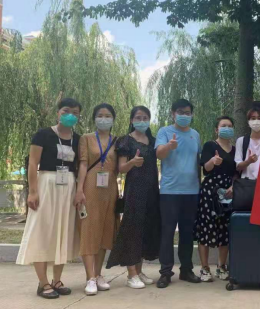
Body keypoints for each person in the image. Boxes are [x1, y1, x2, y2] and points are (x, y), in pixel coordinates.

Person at [16, 98, 82, 299]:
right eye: (66, 110)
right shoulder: (43, 134)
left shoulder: (78, 139)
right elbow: (32, 163)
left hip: (68, 187)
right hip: (46, 184)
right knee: (42, 231)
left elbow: (80, 166)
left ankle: (57, 280)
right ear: (58, 112)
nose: (70, 115)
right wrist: (33, 191)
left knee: (63, 231)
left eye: (75, 113)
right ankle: (43, 282)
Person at [106, 106, 160, 289]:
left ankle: (139, 270)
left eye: (145, 118)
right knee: (132, 229)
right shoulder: (125, 141)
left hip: (152, 190)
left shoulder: (153, 141)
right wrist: (132, 162)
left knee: (145, 229)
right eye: (138, 117)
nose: (142, 121)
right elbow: (121, 168)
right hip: (135, 189)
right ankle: (131, 274)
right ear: (131, 120)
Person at [155, 99, 202, 289]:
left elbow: (197, 161)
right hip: (170, 191)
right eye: (180, 112)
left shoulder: (195, 135)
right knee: (167, 232)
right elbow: (159, 154)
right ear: (173, 113)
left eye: (188, 112)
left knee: (187, 232)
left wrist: (199, 186)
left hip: (191, 191)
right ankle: (165, 272)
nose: (184, 115)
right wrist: (169, 146)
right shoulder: (164, 132)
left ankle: (186, 270)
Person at [74, 104, 120, 295]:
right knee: (89, 230)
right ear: (94, 118)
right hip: (90, 187)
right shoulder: (86, 138)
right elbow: (83, 165)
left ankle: (98, 274)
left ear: (113, 119)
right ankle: (89, 277)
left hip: (110, 189)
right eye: (100, 115)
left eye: (108, 116)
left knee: (105, 231)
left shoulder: (117, 141)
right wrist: (79, 190)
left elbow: (118, 168)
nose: (104, 119)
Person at [195, 116, 236, 282]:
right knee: (206, 227)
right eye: (223, 125)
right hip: (210, 191)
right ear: (216, 129)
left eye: (230, 126)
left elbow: (237, 171)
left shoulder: (235, 149)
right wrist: (212, 161)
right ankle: (205, 268)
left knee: (225, 229)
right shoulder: (210, 145)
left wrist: (233, 186)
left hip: (228, 192)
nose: (227, 128)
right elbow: (205, 169)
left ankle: (221, 266)